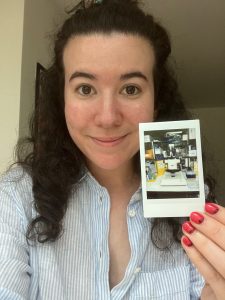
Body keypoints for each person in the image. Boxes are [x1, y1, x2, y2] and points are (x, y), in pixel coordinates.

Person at [0, 0, 224, 299]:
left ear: (156, 101)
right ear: (61, 100)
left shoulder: (191, 205)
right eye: (85, 89)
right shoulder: (17, 196)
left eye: (130, 89)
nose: (107, 117)